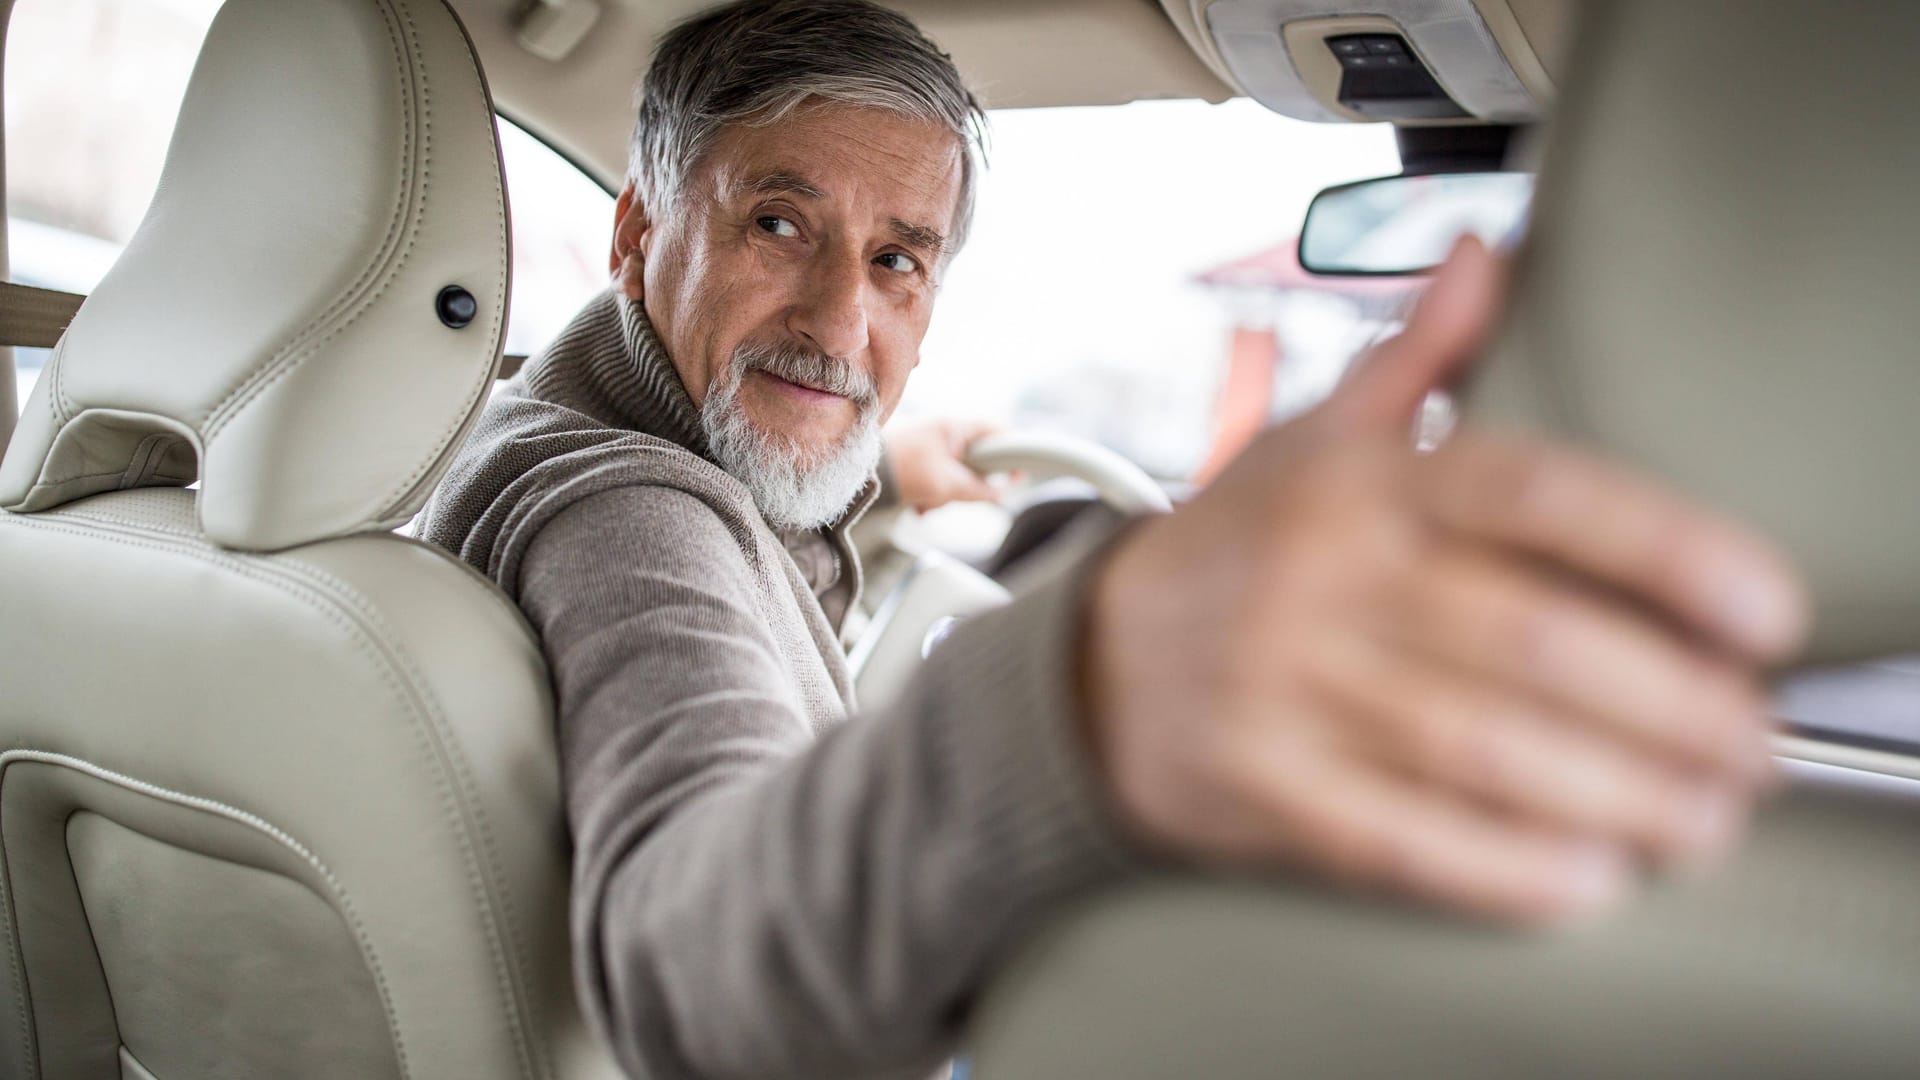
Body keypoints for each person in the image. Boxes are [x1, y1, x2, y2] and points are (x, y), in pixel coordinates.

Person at [419, 1, 1807, 1076]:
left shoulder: (529, 440)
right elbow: (696, 969)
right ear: (634, 231)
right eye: (779, 222)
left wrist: (881, 473)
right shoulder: (631, 516)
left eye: (900, 258)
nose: (843, 323)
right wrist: (1083, 691)